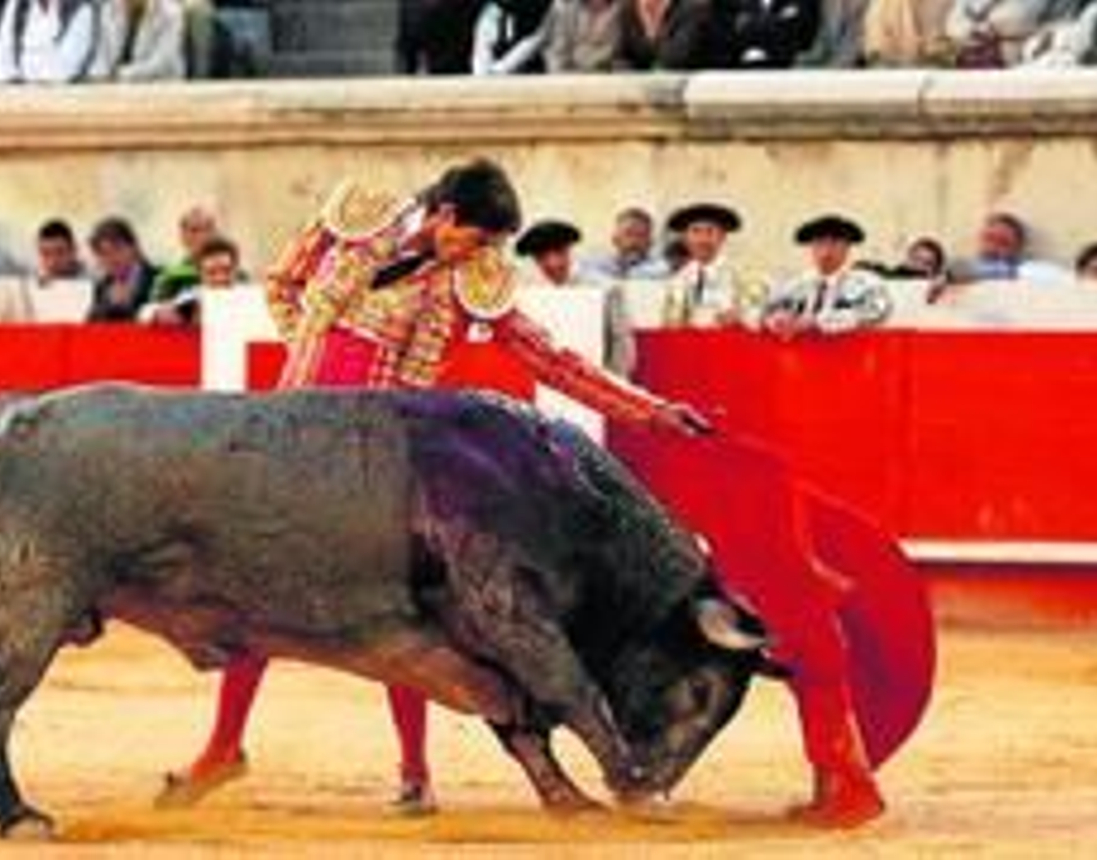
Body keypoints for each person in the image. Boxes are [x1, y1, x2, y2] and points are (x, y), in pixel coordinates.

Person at [157, 158, 711, 816]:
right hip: (293, 442)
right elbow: (284, 282)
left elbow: (548, 359)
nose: (477, 255)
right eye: (474, 240)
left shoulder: (470, 278)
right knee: (251, 595)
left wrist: (648, 410)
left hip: (381, 464)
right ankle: (224, 748)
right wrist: (312, 353)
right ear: (446, 216)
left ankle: (415, 773)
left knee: (404, 612)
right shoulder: (358, 215)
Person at [515, 218, 637, 377]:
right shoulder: (531, 293)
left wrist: (613, 383)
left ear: (568, 250)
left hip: (597, 382)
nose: (552, 263)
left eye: (558, 253)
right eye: (542, 257)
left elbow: (622, 346)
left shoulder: (606, 289)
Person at [762, 215, 891, 338]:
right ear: (811, 248)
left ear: (847, 248)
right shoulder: (796, 284)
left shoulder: (867, 283)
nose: (826, 252)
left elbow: (876, 313)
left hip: (849, 355)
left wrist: (816, 323)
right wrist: (776, 320)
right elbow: (769, 310)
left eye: (834, 243)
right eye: (819, 243)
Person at [660, 202, 765, 327]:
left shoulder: (745, 274)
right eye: (695, 231)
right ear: (685, 238)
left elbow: (756, 314)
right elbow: (669, 324)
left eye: (710, 232)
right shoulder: (678, 280)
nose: (703, 240)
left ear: (722, 237)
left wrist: (740, 316)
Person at [140, 235, 240, 327]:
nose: (220, 278)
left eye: (227, 270)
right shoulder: (193, 298)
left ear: (236, 269)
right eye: (211, 272)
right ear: (200, 274)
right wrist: (157, 314)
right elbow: (144, 313)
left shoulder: (250, 298)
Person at [85, 216, 157, 322]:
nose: (112, 259)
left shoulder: (158, 278)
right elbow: (91, 326)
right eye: (104, 254)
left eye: (117, 249)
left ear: (134, 247)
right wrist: (108, 306)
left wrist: (129, 305)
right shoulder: (102, 286)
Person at [582, 206, 670, 281]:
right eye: (628, 234)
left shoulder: (661, 269)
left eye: (641, 235)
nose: (634, 241)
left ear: (650, 242)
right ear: (615, 238)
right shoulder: (595, 264)